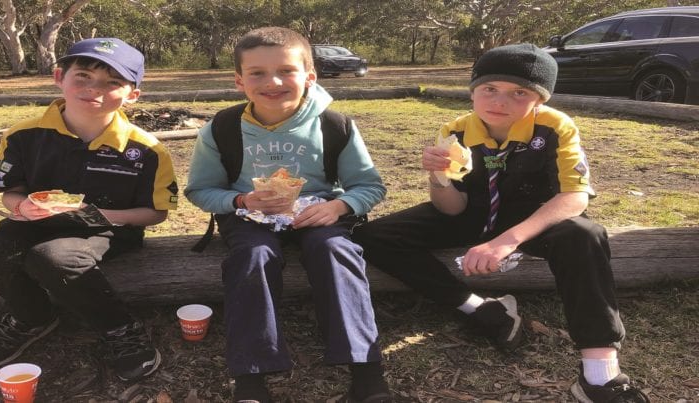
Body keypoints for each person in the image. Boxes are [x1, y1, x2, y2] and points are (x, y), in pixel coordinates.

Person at [353, 44, 649, 403]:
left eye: (519, 93)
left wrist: (506, 241)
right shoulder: (456, 130)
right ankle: (481, 309)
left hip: (534, 216)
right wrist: (438, 178)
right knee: (373, 235)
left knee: (585, 234)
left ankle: (599, 374)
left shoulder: (554, 127)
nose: (500, 102)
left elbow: (575, 197)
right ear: (473, 91)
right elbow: (451, 209)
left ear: (540, 99)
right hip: (475, 212)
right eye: (489, 89)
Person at [185, 27, 391, 403]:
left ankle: (366, 373)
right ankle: (251, 377)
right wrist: (242, 201)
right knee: (253, 256)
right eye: (257, 73)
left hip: (319, 215)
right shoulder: (221, 129)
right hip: (250, 217)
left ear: (309, 76)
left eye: (286, 70)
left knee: (336, 251)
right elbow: (200, 190)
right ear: (239, 81)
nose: (273, 82)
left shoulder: (334, 125)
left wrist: (338, 206)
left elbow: (369, 186)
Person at [0, 37, 179, 382]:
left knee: (54, 257)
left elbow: (156, 213)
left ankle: (119, 328)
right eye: (83, 76)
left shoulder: (147, 149)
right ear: (59, 77)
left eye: (113, 82)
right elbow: (11, 192)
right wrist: (22, 206)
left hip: (109, 228)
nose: (94, 88)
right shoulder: (22, 136)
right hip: (37, 223)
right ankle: (31, 316)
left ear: (133, 95)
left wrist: (95, 214)